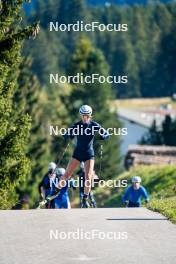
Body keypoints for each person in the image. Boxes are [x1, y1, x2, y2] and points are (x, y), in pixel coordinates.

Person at [55, 105, 109, 208]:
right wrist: (67, 135)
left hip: (89, 154)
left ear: (90, 115)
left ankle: (85, 198)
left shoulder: (94, 125)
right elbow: (66, 133)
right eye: (83, 115)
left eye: (87, 115)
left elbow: (106, 133)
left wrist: (104, 136)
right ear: (81, 115)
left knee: (88, 177)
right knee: (67, 175)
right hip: (78, 153)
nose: (85, 117)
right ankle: (56, 191)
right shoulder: (77, 125)